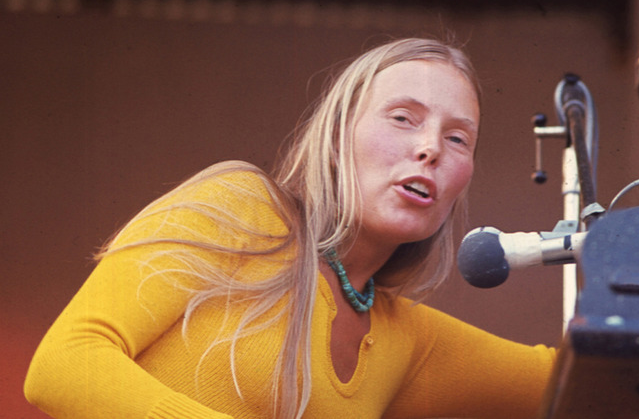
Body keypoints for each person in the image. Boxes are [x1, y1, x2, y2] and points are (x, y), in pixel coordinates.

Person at [24, 37, 556, 419]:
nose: (430, 147)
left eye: (458, 138)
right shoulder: (241, 207)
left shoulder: (406, 340)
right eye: (402, 117)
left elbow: (579, 382)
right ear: (334, 138)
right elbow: (64, 365)